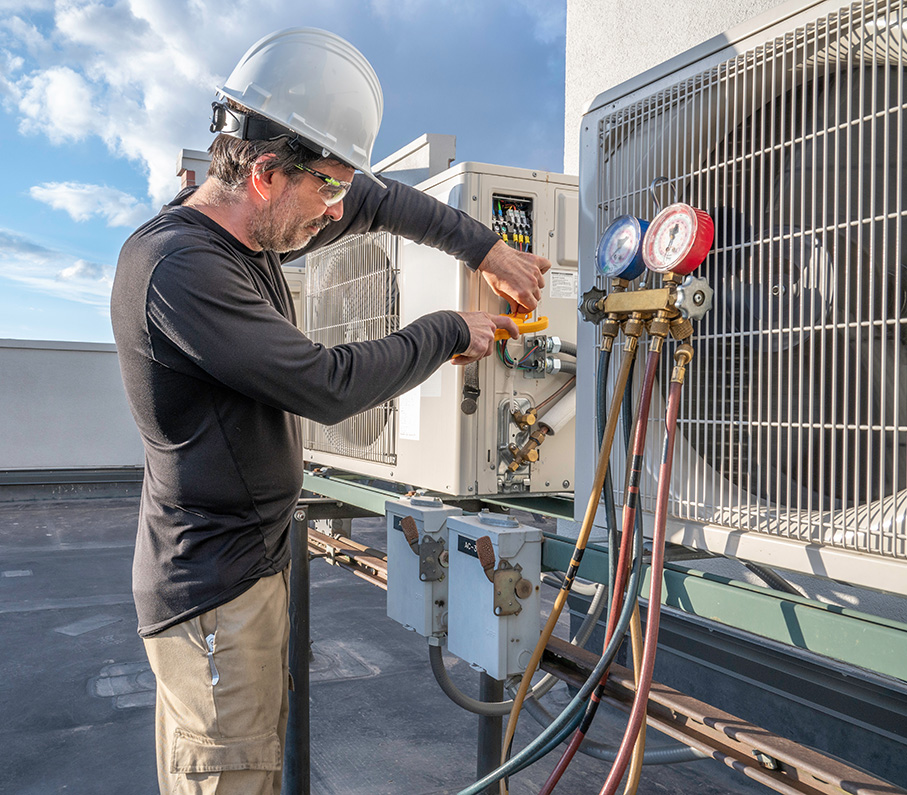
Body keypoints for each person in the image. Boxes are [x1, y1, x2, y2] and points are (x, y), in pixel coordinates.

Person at [110, 27, 551, 795]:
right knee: (227, 771)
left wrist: (486, 251)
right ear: (266, 174)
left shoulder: (261, 228)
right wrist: (448, 330)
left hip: (245, 572)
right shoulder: (179, 267)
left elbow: (381, 200)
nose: (336, 211)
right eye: (326, 192)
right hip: (212, 592)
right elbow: (326, 384)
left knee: (248, 763)